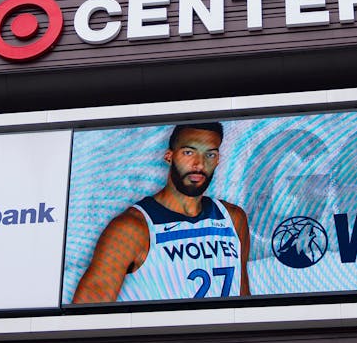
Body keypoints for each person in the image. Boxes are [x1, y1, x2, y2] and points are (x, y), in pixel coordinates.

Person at [72, 121, 251, 303]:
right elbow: (85, 315)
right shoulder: (130, 229)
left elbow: (243, 300)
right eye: (189, 152)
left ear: (218, 159)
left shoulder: (233, 218)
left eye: (210, 154)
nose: (199, 164)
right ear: (169, 156)